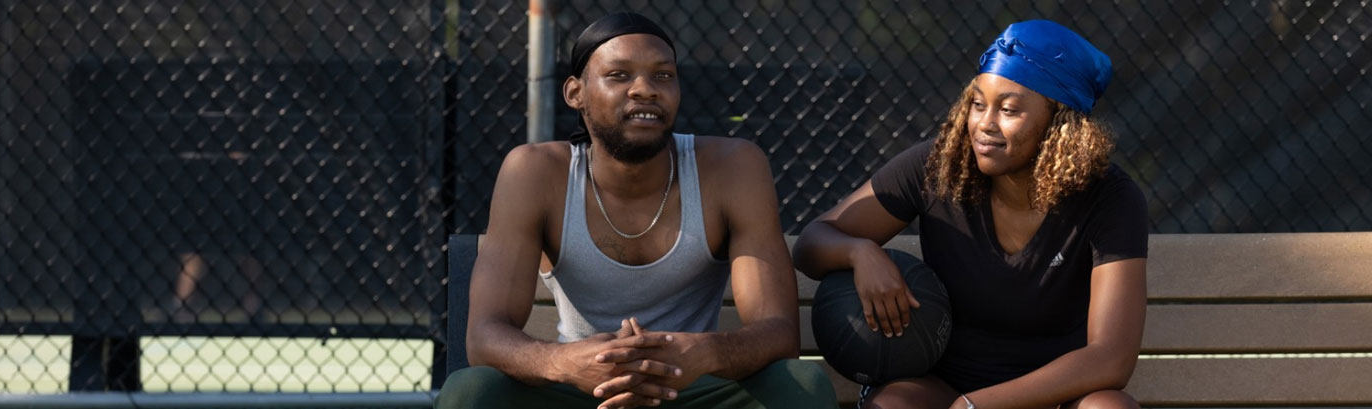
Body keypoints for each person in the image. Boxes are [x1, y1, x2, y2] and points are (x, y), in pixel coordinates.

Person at [436, 12, 834, 409]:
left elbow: (780, 335)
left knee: (801, 384)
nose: (645, 89)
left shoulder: (733, 167)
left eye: (663, 76)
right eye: (619, 75)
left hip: (694, 387)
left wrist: (706, 353)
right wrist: (567, 361)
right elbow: (485, 336)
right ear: (576, 93)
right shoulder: (535, 172)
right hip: (579, 388)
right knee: (471, 393)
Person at [791, 20, 1147, 409]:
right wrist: (859, 253)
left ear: (1060, 125)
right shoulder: (941, 165)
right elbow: (812, 242)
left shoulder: (1109, 197)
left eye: (1008, 110)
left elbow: (1111, 359)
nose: (983, 125)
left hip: (1056, 397)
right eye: (978, 104)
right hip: (946, 389)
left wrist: (977, 406)